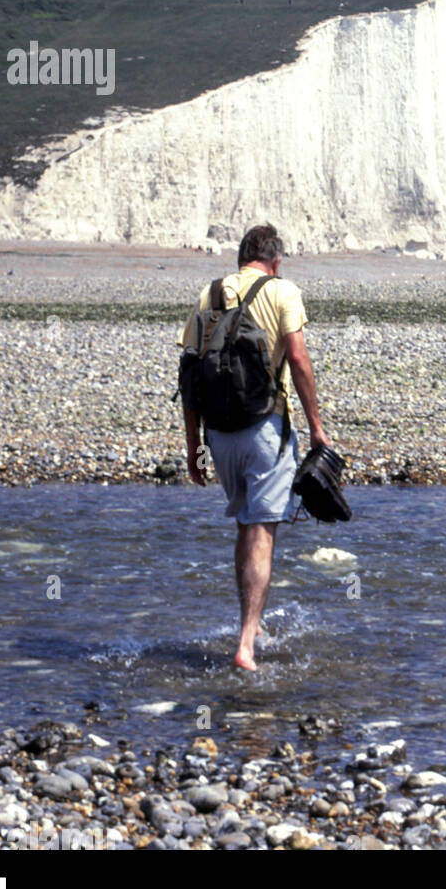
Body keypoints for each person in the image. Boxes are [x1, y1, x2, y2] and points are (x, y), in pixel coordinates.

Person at [177, 224, 329, 670]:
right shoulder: (284, 292)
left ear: (241, 258)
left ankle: (252, 620)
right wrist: (317, 428)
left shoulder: (209, 295)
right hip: (265, 430)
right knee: (262, 531)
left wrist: (194, 448)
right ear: (275, 260)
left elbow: (188, 378)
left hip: (220, 436)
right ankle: (246, 643)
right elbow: (298, 360)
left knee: (245, 525)